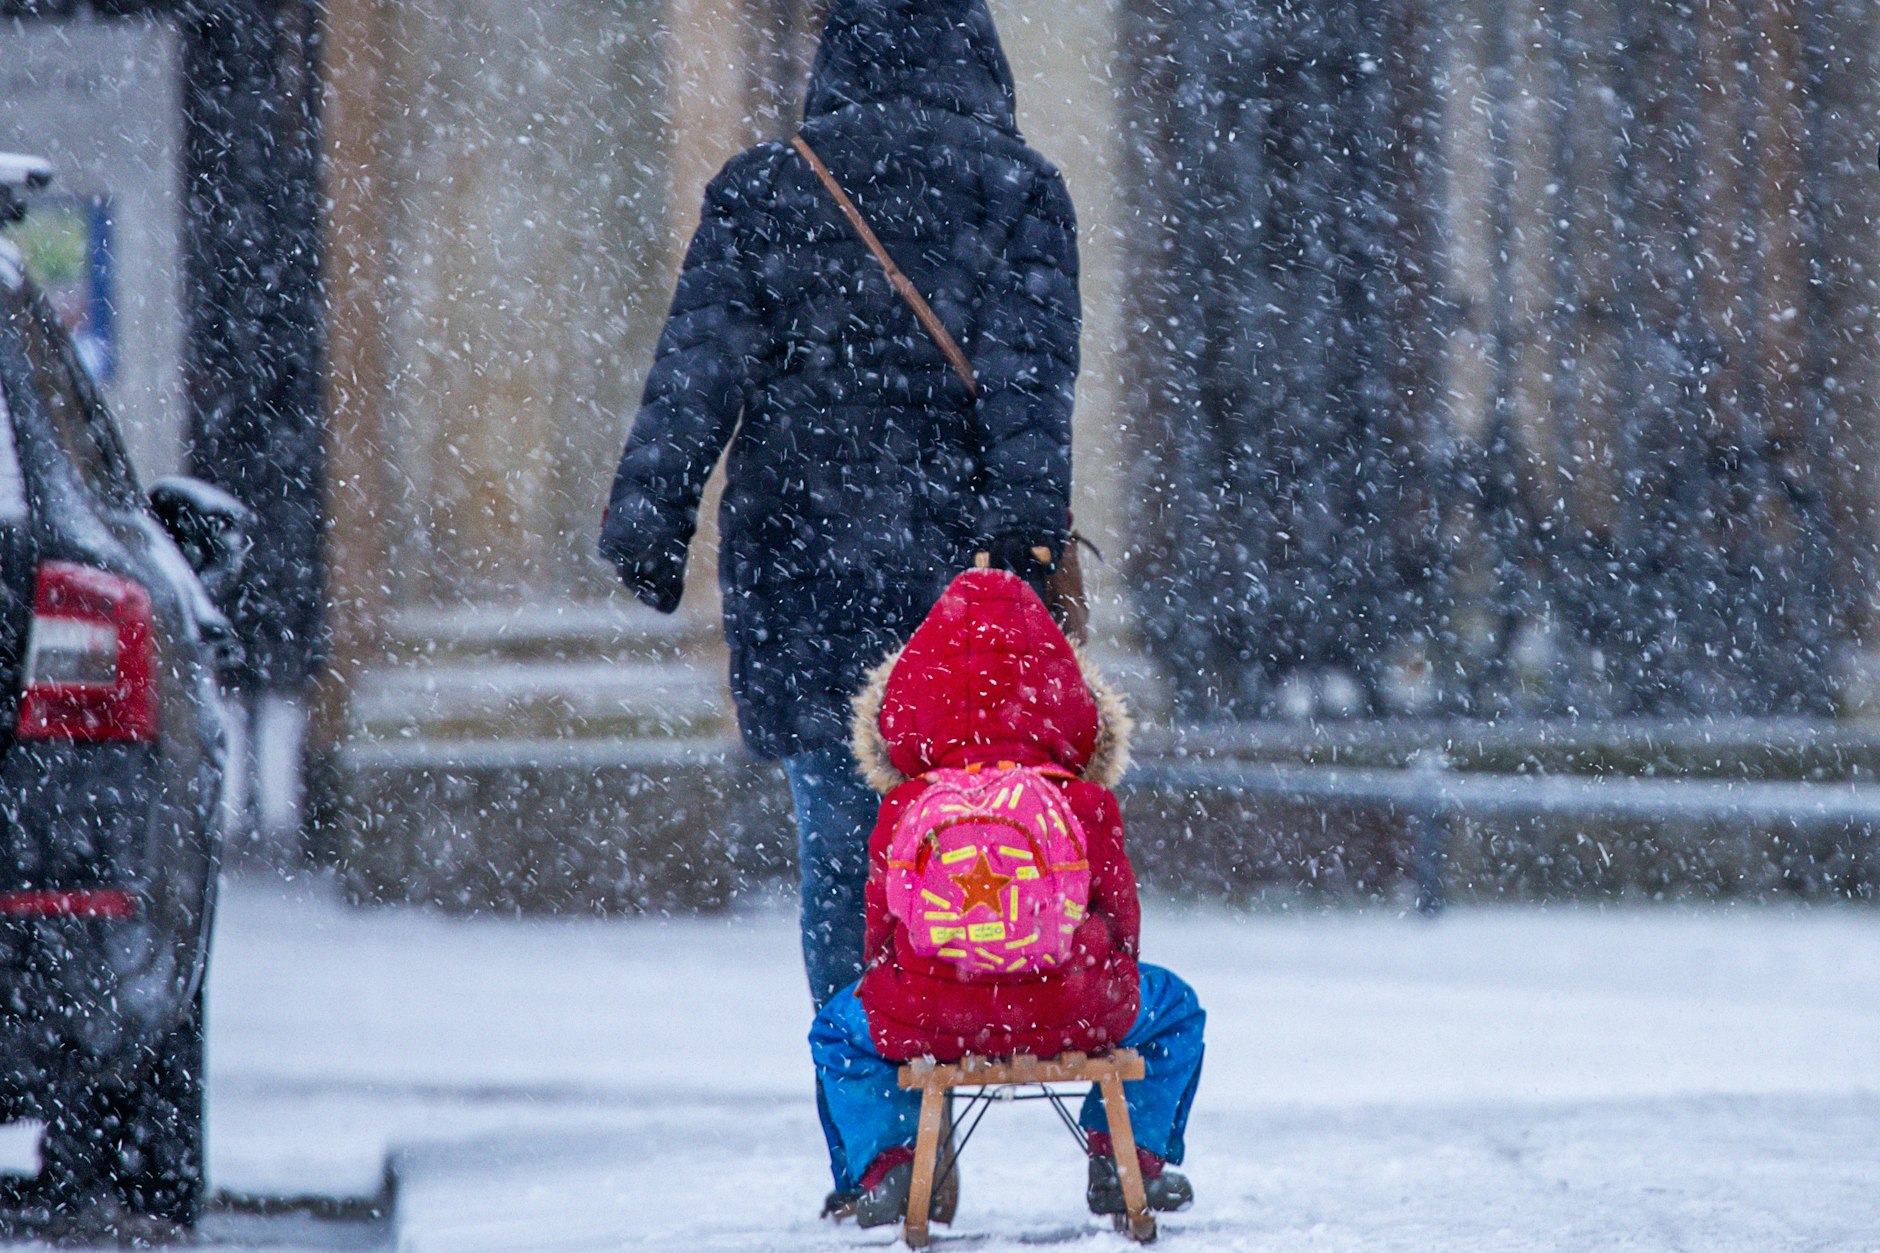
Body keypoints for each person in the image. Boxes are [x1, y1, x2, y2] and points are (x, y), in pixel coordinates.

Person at [599, 0, 1078, 1011]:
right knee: (968, 839)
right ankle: (946, 1066)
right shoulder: (1017, 190)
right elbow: (1028, 393)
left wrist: (650, 521)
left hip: (799, 564)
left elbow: (696, 377)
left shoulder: (764, 190)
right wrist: (1027, 547)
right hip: (956, 581)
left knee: (837, 847)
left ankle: (871, 1134)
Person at [812, 567, 1205, 1227]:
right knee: (1177, 1011)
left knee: (836, 1029)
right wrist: (1098, 975)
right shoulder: (1082, 799)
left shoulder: (907, 802)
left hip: (929, 1010)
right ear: (1069, 701)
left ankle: (891, 1163)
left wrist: (918, 987)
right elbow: (1121, 916)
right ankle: (1126, 1155)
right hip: (1075, 1004)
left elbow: (879, 933)